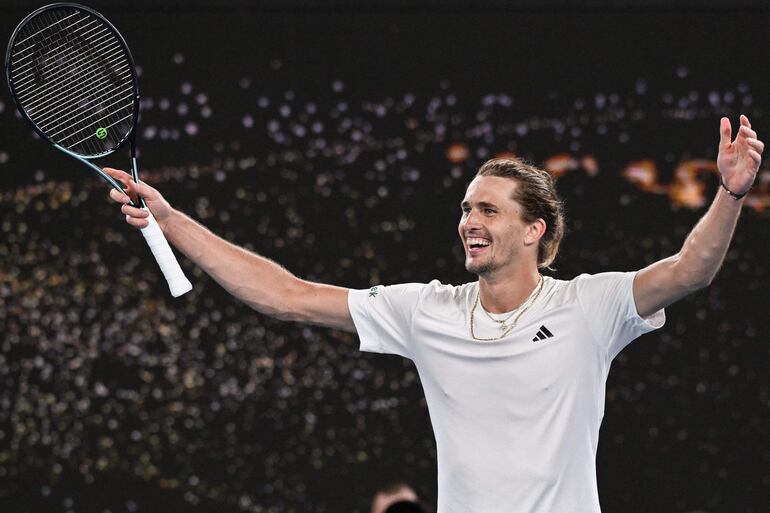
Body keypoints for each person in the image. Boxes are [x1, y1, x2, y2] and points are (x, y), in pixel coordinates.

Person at [106, 115, 763, 513]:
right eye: (464, 208)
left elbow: (688, 270)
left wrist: (731, 194)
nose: (468, 221)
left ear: (535, 228)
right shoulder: (427, 311)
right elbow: (288, 295)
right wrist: (171, 219)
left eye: (487, 209)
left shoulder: (587, 306)